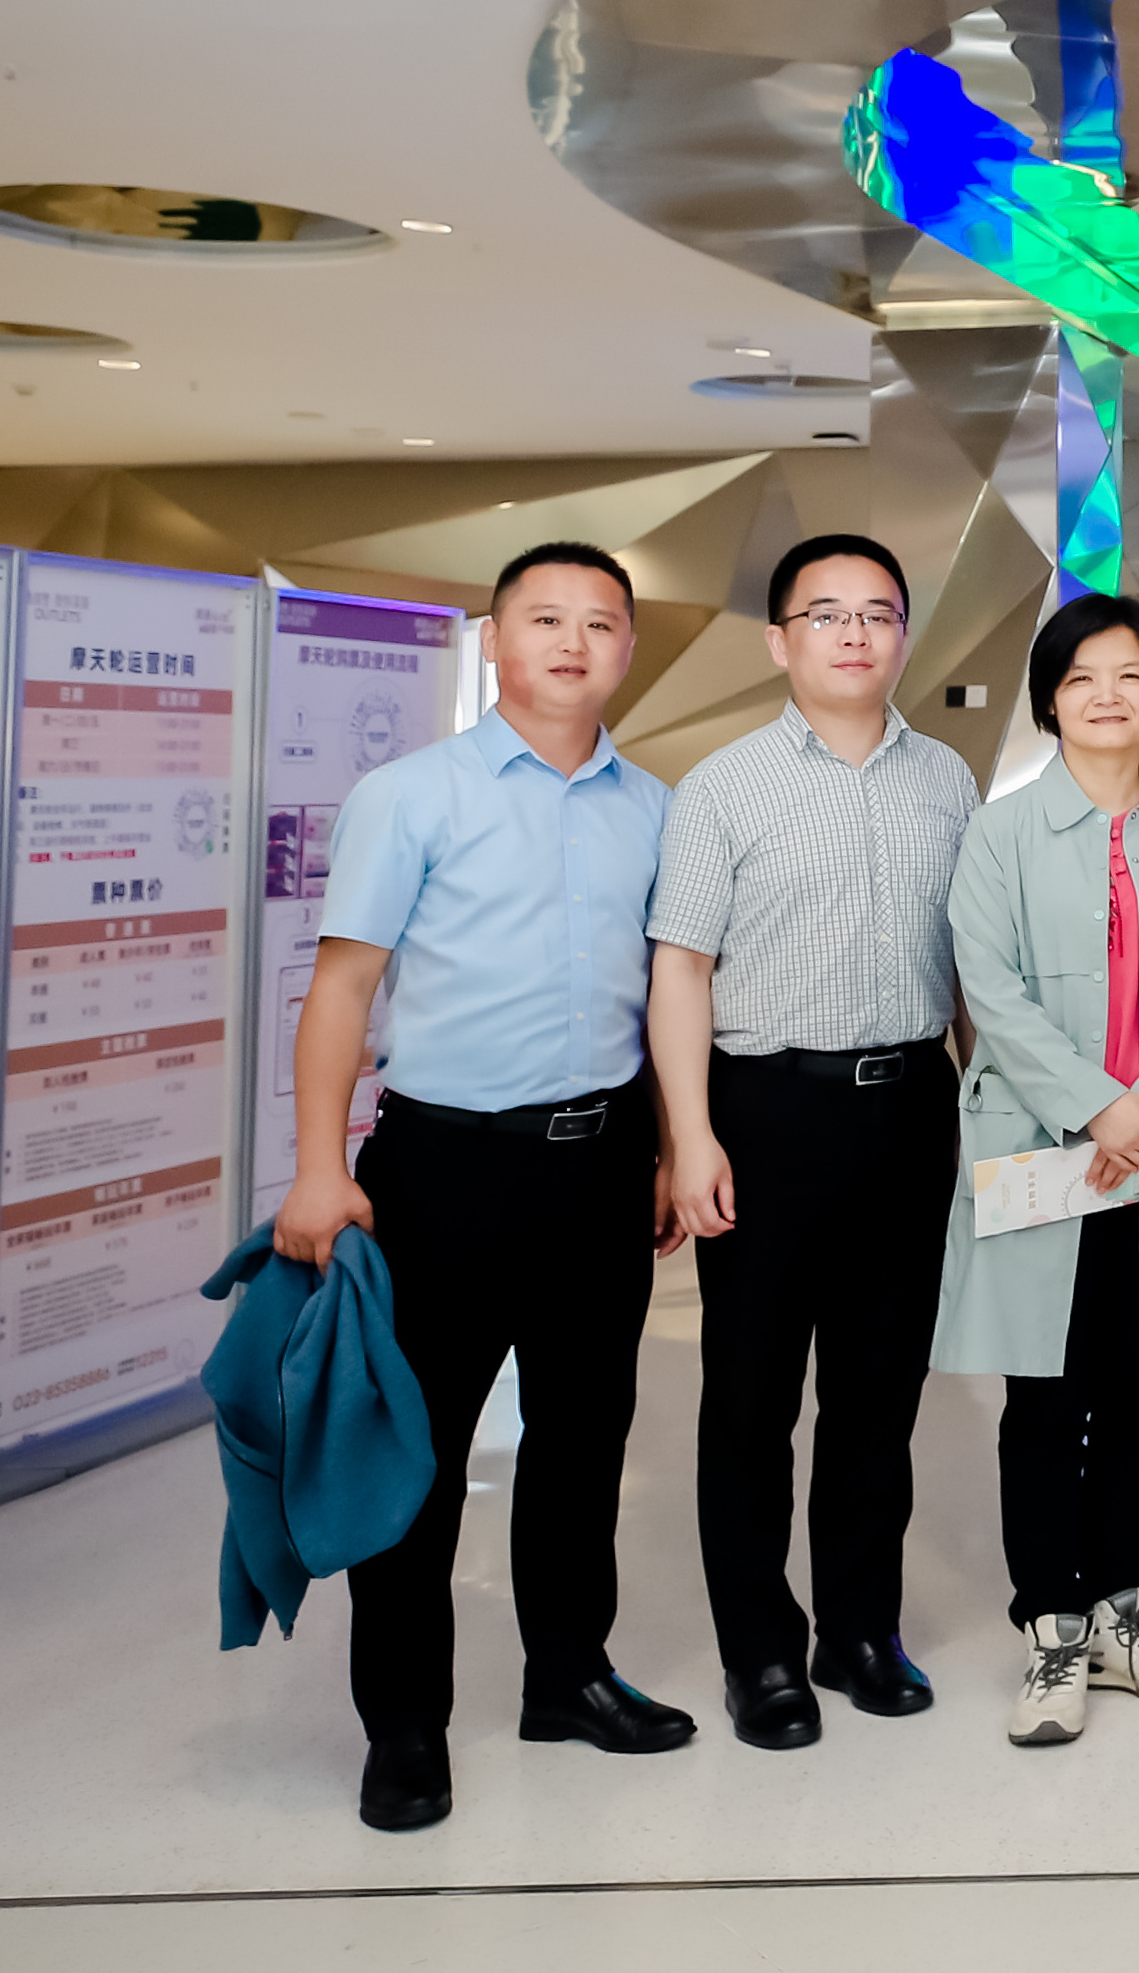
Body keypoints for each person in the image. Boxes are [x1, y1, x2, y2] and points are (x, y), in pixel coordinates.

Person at [273, 543, 687, 1834]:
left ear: (628, 648)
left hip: (602, 1162)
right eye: (545, 619)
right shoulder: (411, 795)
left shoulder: (657, 807)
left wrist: (666, 1147)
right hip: (445, 1167)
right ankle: (404, 1725)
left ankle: (567, 1677)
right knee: (422, 1456)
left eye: (600, 623)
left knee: (583, 1441)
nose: (573, 642)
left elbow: (669, 995)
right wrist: (319, 1168)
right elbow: (342, 988)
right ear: (496, 640)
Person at [646, 533, 982, 1748]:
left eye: (877, 613)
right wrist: (690, 1136)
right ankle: (760, 1654)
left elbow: (970, 966)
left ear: (903, 636)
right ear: (779, 640)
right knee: (749, 1398)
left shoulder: (947, 779)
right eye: (826, 613)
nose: (854, 633)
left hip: (910, 1106)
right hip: (765, 1111)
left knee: (878, 1396)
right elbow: (681, 969)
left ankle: (859, 1630)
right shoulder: (722, 786)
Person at [936, 591, 1139, 1746]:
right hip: (1043, 1147)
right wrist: (1097, 1108)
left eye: (1131, 674)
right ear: (1051, 700)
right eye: (1082, 677)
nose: (1108, 695)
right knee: (1043, 1390)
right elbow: (990, 987)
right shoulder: (1001, 833)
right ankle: (1051, 1625)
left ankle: (1120, 1611)